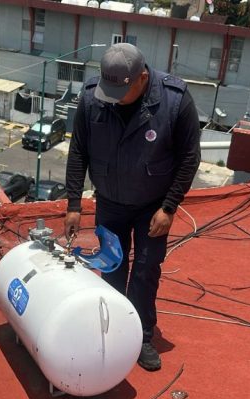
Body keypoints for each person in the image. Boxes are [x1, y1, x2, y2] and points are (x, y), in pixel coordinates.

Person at [64, 43, 201, 371]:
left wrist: (169, 207)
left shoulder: (175, 100)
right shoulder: (92, 97)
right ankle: (112, 329)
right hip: (110, 202)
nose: (112, 99)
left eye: (120, 92)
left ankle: (140, 336)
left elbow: (189, 158)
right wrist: (73, 204)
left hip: (152, 207)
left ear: (142, 78)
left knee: (145, 269)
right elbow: (79, 150)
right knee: (111, 266)